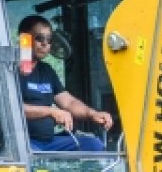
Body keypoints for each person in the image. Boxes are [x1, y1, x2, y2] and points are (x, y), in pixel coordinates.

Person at [18, 15, 113, 152]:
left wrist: (92, 114)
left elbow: (68, 102)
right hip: (25, 145)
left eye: (49, 40)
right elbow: (13, 109)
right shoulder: (11, 70)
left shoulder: (47, 70)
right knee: (32, 158)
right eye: (40, 38)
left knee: (93, 145)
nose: (45, 44)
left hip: (49, 142)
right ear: (24, 39)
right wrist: (51, 112)